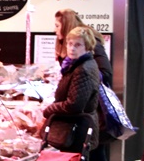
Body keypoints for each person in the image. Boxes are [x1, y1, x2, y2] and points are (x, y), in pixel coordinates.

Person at [54, 9, 113, 161]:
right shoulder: (76, 58)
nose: (55, 31)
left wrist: (83, 83)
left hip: (90, 116)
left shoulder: (86, 62)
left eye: (57, 25)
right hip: (84, 117)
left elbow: (105, 74)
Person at [43, 26, 101, 154]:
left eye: (78, 45)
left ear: (87, 46)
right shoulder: (75, 65)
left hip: (77, 131)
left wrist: (49, 110)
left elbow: (74, 105)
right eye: (70, 44)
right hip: (77, 129)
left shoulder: (82, 69)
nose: (72, 48)